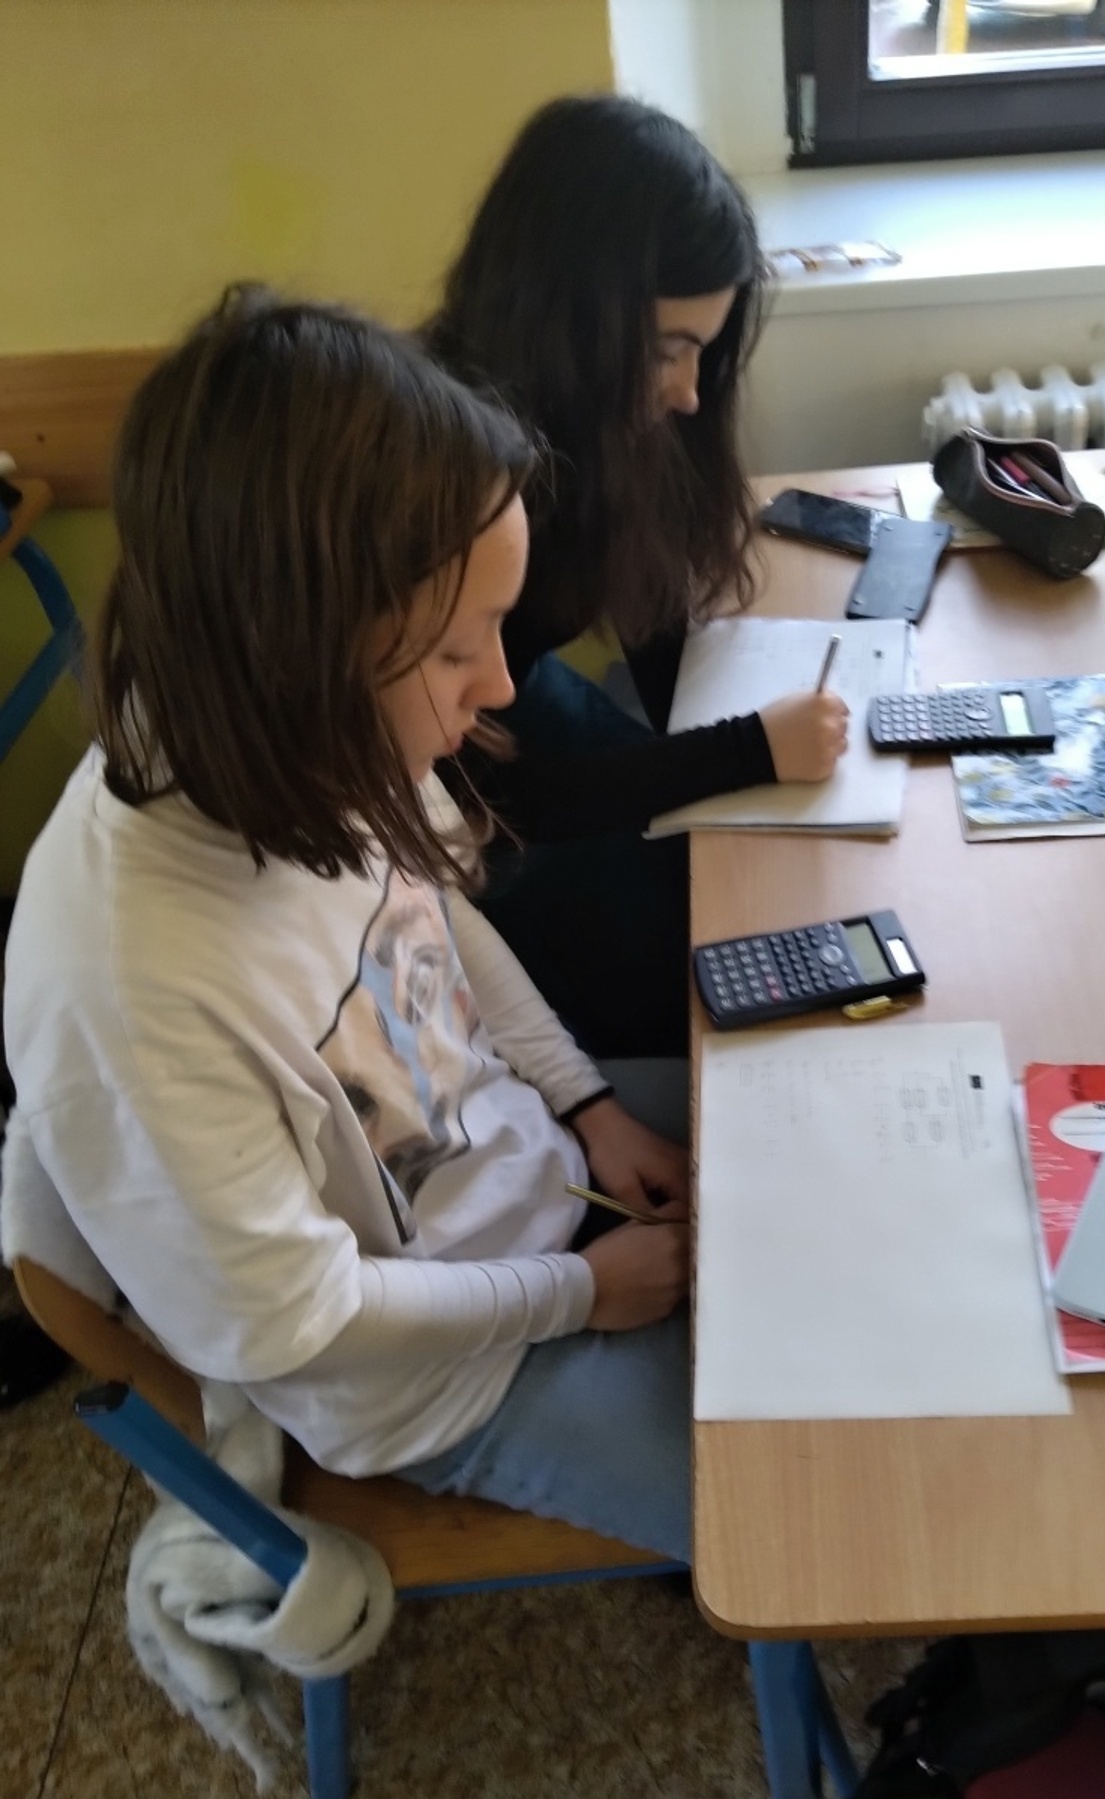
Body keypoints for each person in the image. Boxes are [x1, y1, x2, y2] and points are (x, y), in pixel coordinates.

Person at [0, 286, 692, 1563]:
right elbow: (295, 1320)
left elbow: (438, 912)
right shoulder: (133, 986)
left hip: (536, 1171)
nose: (500, 684)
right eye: (457, 651)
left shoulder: (298, 738)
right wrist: (581, 1293)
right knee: (803, 1509)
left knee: (825, 1139)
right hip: (435, 1376)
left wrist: (586, 1101)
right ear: (295, 652)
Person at [425, 95, 849, 1058]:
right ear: (569, 322)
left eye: (704, 350)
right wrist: (742, 750)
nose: (691, 392)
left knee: (740, 857)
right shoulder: (455, 479)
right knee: (718, 958)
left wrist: (712, 731)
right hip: (469, 797)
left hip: (523, 718)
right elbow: (486, 798)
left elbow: (650, 596)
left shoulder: (593, 413)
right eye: (668, 352)